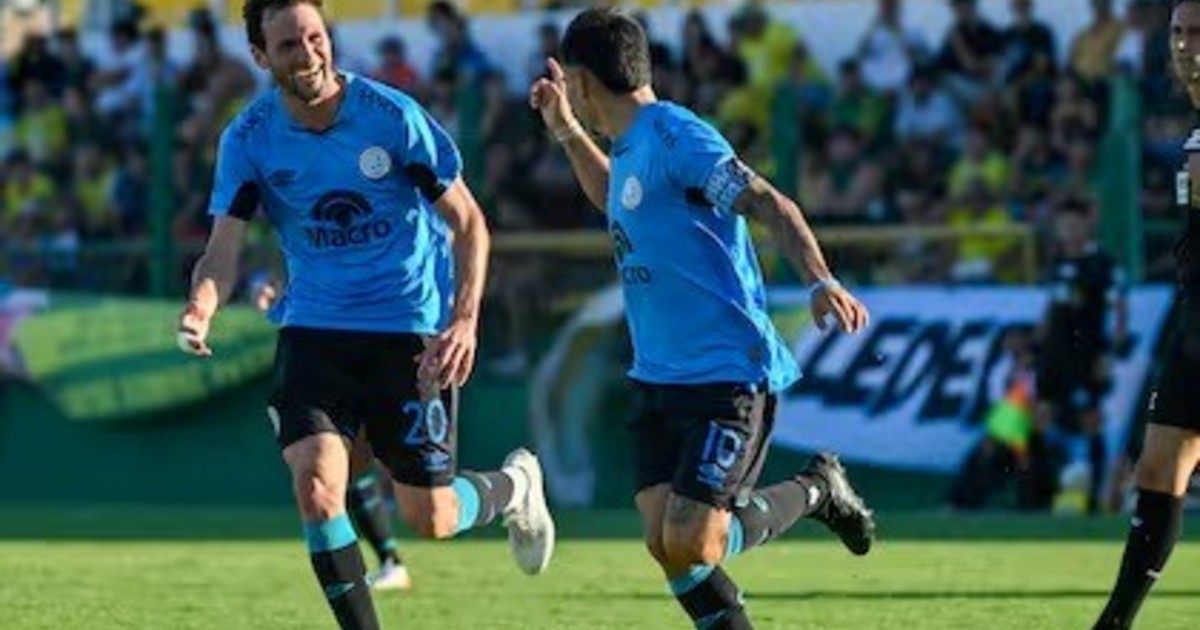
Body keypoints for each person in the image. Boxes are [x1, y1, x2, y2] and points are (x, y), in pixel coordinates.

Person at [176, 2, 554, 628]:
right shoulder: (248, 137)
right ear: (261, 57)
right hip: (314, 331)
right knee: (316, 486)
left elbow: (469, 223)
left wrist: (464, 320)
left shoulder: (391, 116)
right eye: (289, 45)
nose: (309, 54)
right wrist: (201, 305)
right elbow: (223, 249)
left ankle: (515, 488)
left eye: (315, 37)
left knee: (430, 518)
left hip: (407, 329)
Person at [529, 9, 875, 629]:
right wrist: (567, 132)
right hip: (658, 375)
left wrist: (820, 279)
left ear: (580, 79)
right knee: (666, 543)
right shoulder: (630, 147)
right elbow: (616, 199)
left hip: (725, 375)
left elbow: (767, 200)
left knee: (693, 541)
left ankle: (818, 489)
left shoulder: (677, 137)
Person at [1091, 1, 1200, 627]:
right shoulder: (1194, 124)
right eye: (1178, 31)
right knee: (1158, 469)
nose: (1185, 44)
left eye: (1198, 32)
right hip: (1194, 319)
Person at [1034, 198, 1128, 515]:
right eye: (1063, 225)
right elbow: (1052, 306)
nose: (1068, 230)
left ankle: (1094, 500)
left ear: (1088, 225)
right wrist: (1039, 342)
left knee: (1090, 421)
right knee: (1043, 416)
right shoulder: (1058, 262)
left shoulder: (1102, 264)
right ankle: (1048, 495)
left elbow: (1119, 310)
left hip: (1086, 356)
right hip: (1054, 356)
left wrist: (1110, 354)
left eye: (1074, 224)